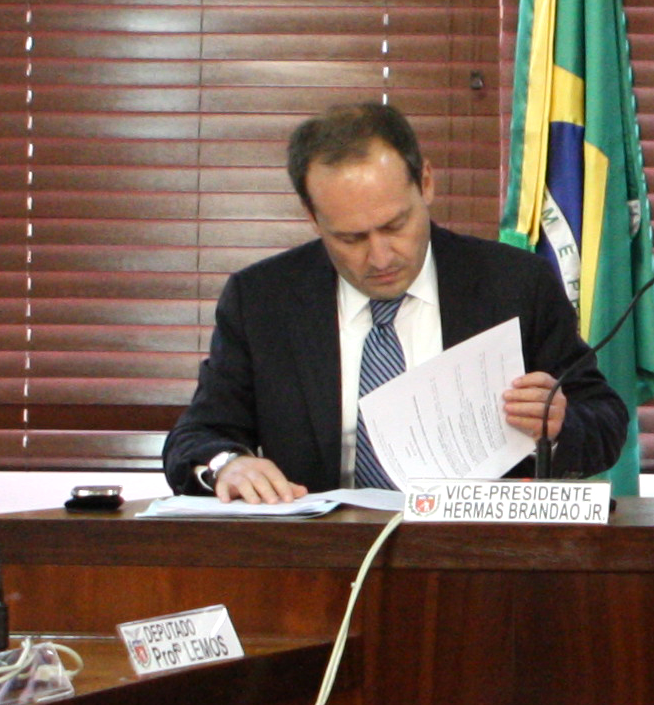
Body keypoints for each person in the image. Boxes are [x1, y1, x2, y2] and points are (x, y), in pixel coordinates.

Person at [164, 102, 628, 499]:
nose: (380, 257)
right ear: (312, 217)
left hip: (477, 555)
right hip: (322, 555)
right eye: (350, 238)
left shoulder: (515, 284)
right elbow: (198, 435)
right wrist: (227, 464)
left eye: (394, 225)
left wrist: (560, 424)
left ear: (425, 183)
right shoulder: (263, 300)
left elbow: (605, 422)